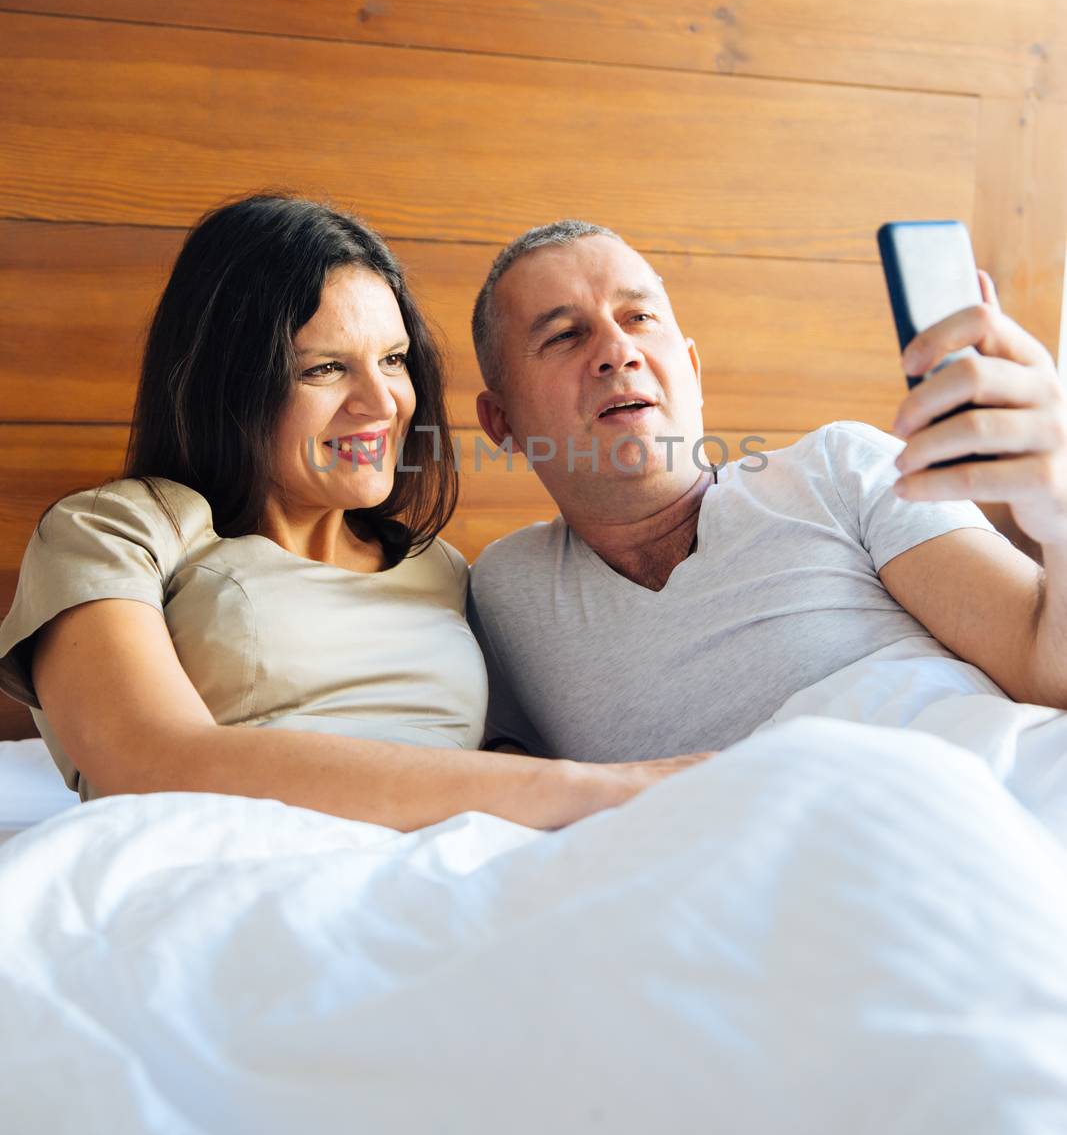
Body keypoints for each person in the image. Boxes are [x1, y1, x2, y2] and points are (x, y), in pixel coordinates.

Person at [0, 195, 707, 831]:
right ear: (230, 387)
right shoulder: (115, 531)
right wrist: (605, 790)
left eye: (393, 360)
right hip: (232, 867)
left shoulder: (442, 570)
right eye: (324, 368)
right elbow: (153, 765)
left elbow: (496, 757)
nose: (381, 404)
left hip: (459, 873)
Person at [467, 220, 1067, 761]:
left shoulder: (842, 470)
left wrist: (1060, 514)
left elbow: (1047, 670)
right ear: (502, 424)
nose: (618, 352)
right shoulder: (502, 595)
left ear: (694, 372)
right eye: (566, 335)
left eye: (639, 317)